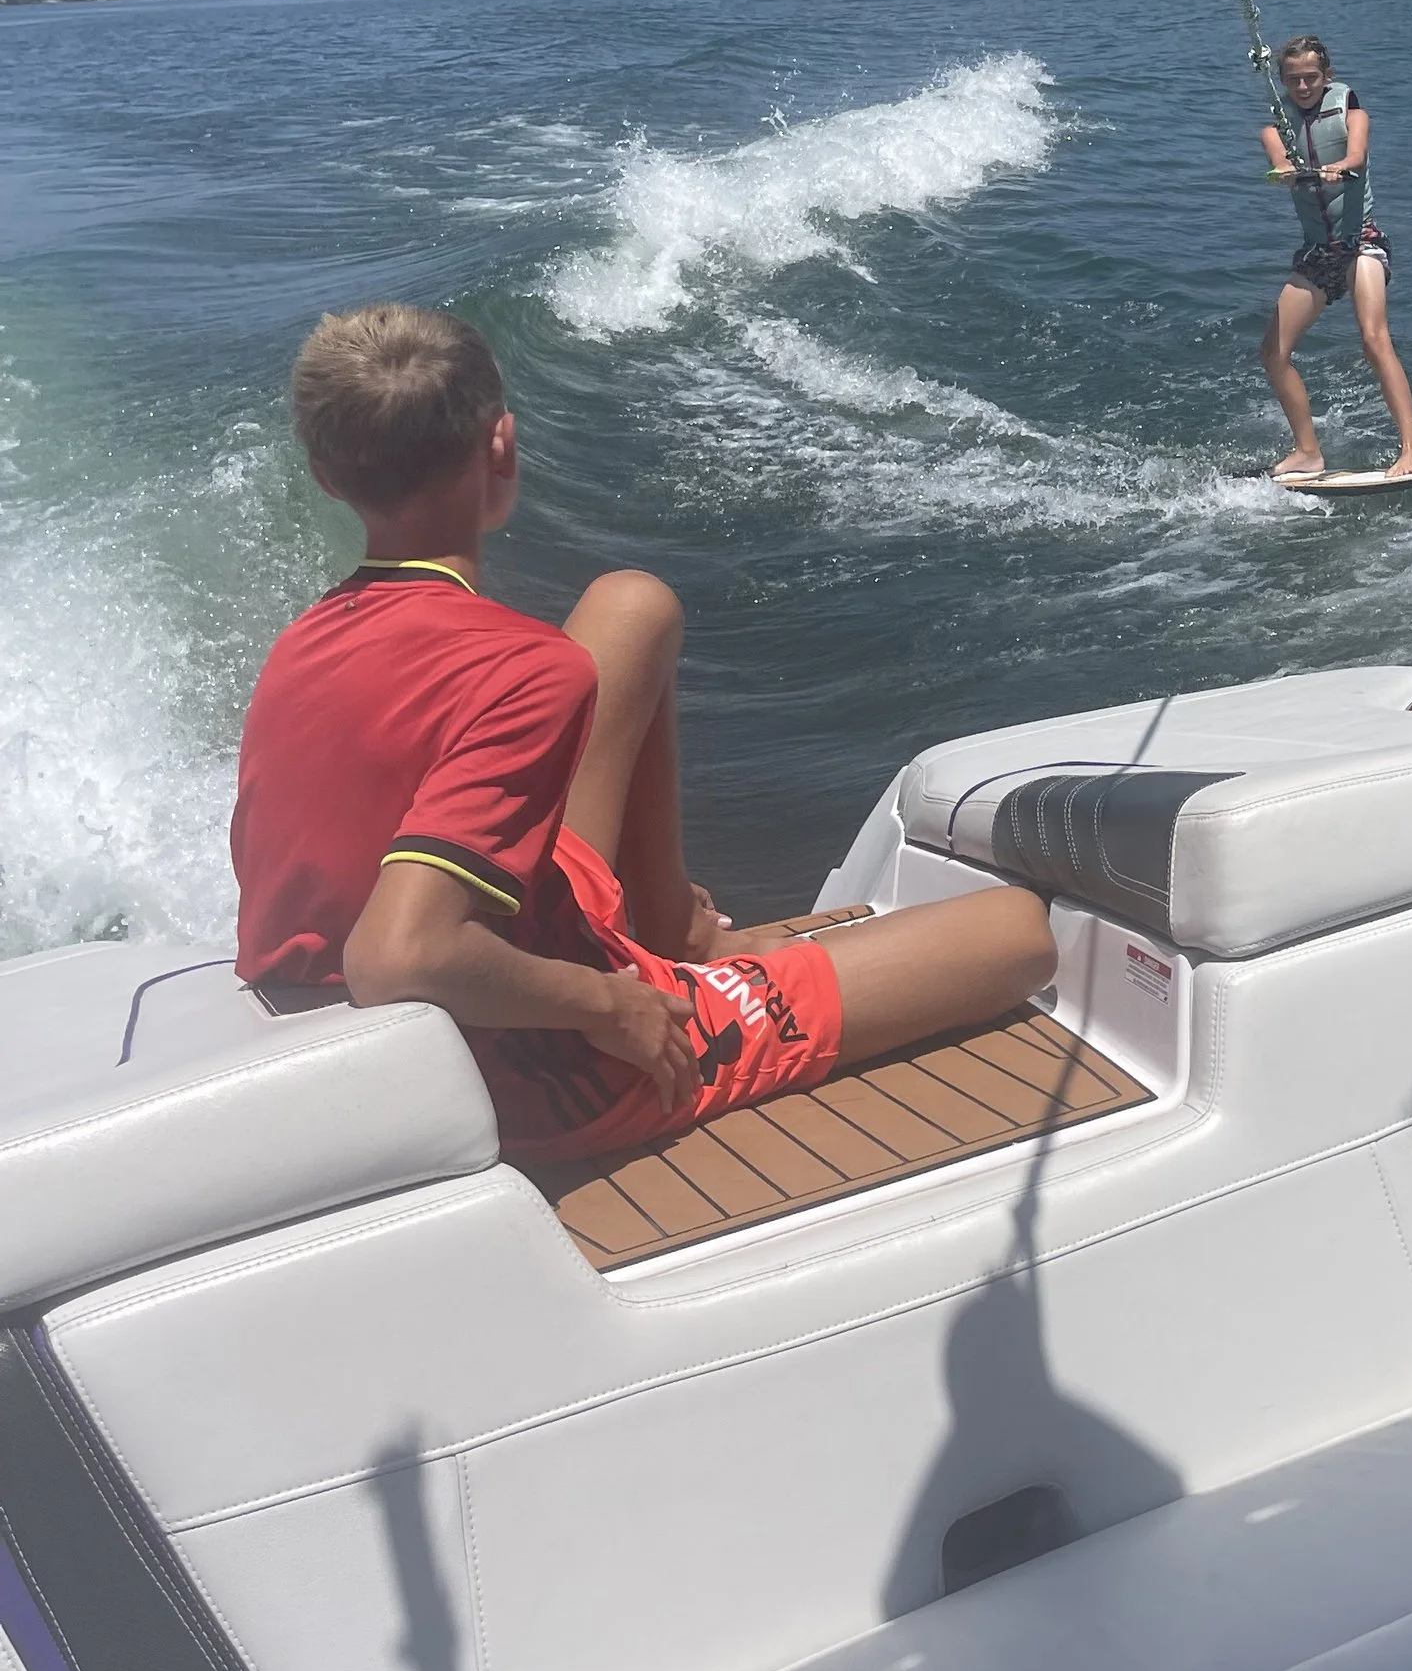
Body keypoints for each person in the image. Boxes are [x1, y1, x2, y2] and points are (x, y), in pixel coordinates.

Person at [231, 302, 1056, 1164]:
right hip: (527, 1059)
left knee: (634, 605)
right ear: (502, 445)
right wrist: (610, 1004)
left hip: (444, 973)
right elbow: (398, 954)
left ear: (327, 476)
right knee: (1016, 930)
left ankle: (675, 929)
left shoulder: (305, 638)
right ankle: (665, 977)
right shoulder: (523, 668)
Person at [1258, 32, 1412, 480]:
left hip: (1362, 242)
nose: (1303, 87)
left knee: (1373, 337)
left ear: (1327, 76)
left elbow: (1355, 155)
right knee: (1273, 352)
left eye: (1311, 78)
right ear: (1283, 82)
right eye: (1293, 80)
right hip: (1318, 252)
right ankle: (1308, 452)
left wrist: (1340, 168)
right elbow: (1278, 162)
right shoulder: (1276, 128)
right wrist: (1287, 172)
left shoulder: (1356, 114)